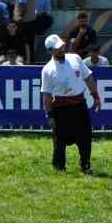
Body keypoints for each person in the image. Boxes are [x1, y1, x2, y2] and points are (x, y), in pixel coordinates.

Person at [40, 34, 101, 174]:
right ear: (50, 51)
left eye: (62, 46)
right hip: (60, 108)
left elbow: (88, 77)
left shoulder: (75, 58)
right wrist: (49, 115)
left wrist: (95, 95)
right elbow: (47, 95)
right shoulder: (47, 70)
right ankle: (59, 166)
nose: (61, 49)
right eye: (57, 48)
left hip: (80, 105)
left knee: (85, 136)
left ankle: (85, 165)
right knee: (59, 140)